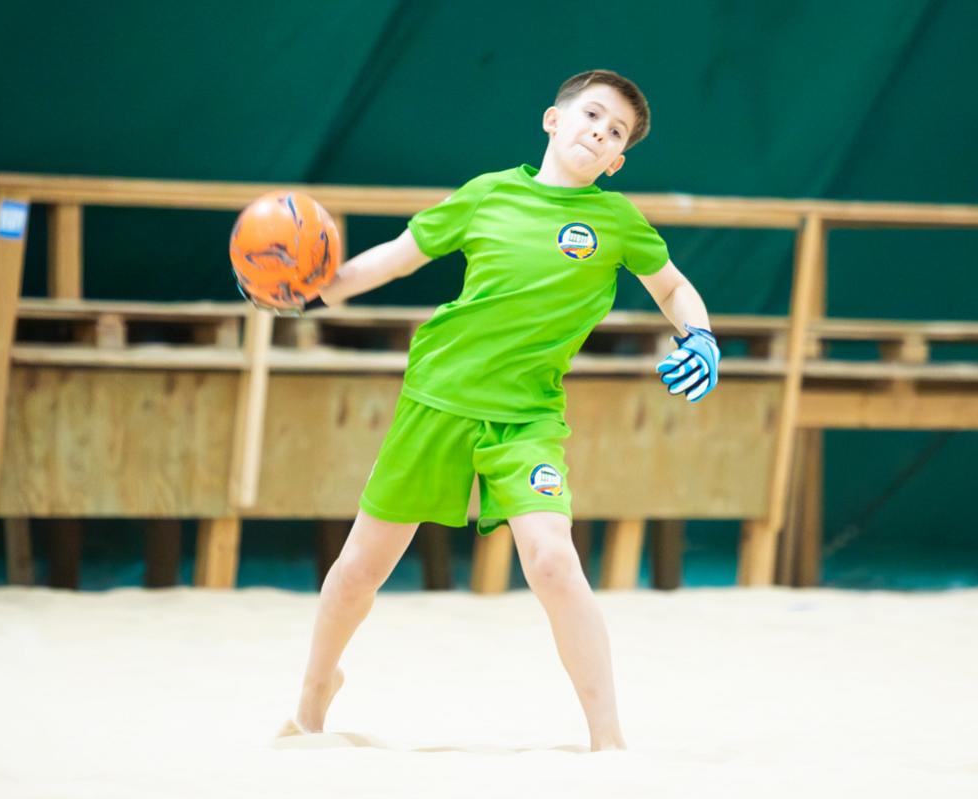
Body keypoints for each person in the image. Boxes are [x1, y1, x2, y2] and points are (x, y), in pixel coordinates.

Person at [274, 69, 718, 752]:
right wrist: (307, 293)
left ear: (616, 160)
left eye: (615, 133)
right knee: (360, 568)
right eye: (591, 115)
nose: (599, 133)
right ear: (553, 119)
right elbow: (393, 260)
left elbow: (673, 286)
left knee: (553, 561)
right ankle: (314, 695)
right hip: (437, 400)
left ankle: (608, 742)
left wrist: (701, 335)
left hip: (526, 420)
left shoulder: (617, 221)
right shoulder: (487, 194)